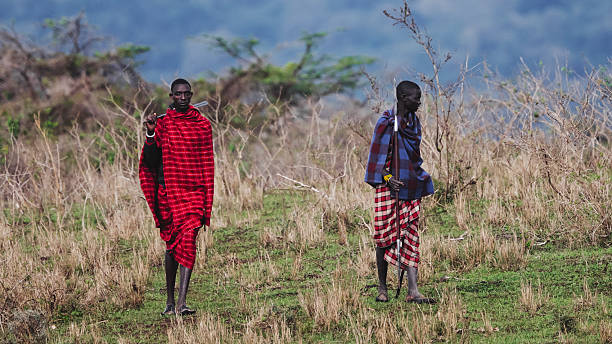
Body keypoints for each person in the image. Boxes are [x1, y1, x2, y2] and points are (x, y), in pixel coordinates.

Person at [139, 78, 214, 315]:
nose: (183, 98)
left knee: (189, 238)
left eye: (186, 94)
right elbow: (150, 162)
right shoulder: (162, 124)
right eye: (178, 95)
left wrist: (206, 198)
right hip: (168, 192)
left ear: (191, 95)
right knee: (172, 244)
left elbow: (207, 163)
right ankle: (170, 302)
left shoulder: (202, 125)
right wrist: (151, 134)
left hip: (193, 192)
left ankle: (182, 302)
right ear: (171, 97)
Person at [364, 80, 435, 303]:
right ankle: (382, 288)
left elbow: (413, 157)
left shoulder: (414, 122)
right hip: (389, 189)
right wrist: (388, 178)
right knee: (385, 237)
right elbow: (377, 163)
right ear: (404, 98)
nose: (420, 102)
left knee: (411, 235)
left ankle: (413, 291)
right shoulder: (386, 122)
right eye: (416, 98)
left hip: (409, 185)